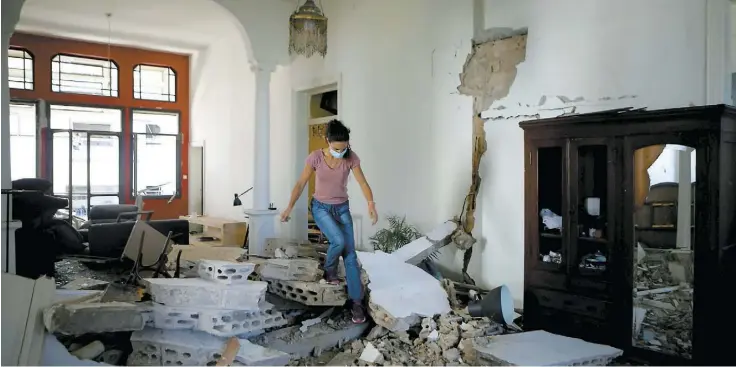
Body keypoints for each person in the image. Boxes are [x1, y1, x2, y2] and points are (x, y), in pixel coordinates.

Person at [280, 119, 378, 324]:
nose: (340, 152)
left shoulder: (351, 158)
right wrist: (289, 206)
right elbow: (300, 183)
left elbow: (362, 182)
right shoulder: (315, 157)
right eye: (336, 148)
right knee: (338, 241)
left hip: (342, 208)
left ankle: (356, 303)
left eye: (344, 149)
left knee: (351, 256)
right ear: (327, 141)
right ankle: (330, 269)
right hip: (320, 207)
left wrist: (370, 203)